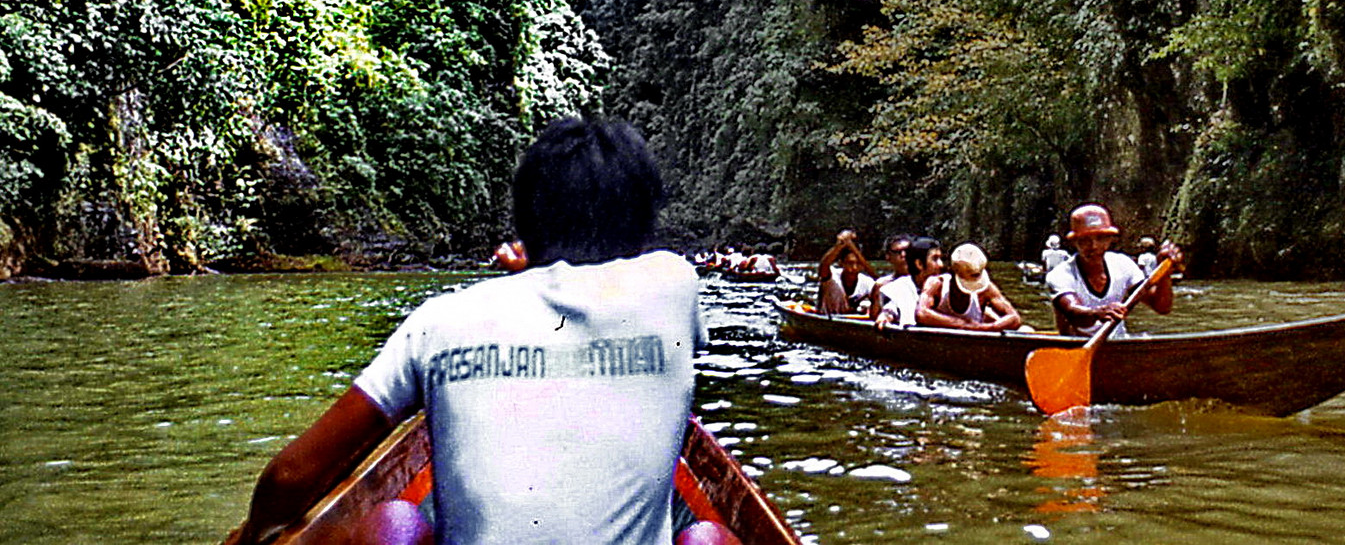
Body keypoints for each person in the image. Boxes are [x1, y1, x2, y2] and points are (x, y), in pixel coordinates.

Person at [231, 117, 727, 545]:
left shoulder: (439, 321)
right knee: (708, 536)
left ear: (525, 226)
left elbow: (292, 476)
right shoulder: (673, 285)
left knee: (396, 518)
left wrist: (254, 534)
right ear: (643, 229)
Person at [1046, 203, 1184, 338]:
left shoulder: (1123, 265)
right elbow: (1072, 312)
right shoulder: (1060, 275)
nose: (1094, 246)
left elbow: (1162, 307)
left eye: (1100, 238)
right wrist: (1097, 313)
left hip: (1117, 344)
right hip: (1075, 347)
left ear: (1110, 239)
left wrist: (1165, 274)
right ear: (1074, 242)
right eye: (1085, 240)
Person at [915, 243, 1023, 331]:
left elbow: (1014, 318)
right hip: (942, 342)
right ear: (953, 273)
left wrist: (989, 327)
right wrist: (963, 324)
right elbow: (922, 313)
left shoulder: (987, 289)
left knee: (1025, 329)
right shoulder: (936, 284)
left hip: (977, 337)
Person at [875, 236, 945, 329]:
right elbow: (891, 309)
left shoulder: (948, 284)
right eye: (935, 259)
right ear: (919, 264)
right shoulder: (900, 288)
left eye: (941, 259)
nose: (941, 265)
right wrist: (885, 316)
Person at [816, 229, 876, 315]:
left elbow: (878, 282)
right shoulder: (832, 277)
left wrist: (852, 246)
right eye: (850, 263)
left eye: (858, 263)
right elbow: (824, 265)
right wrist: (840, 245)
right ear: (841, 263)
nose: (854, 268)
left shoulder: (867, 282)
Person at [867, 232, 912, 321]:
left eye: (907, 251)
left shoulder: (921, 281)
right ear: (888, 256)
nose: (903, 255)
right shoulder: (881, 285)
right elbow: (873, 318)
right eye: (898, 252)